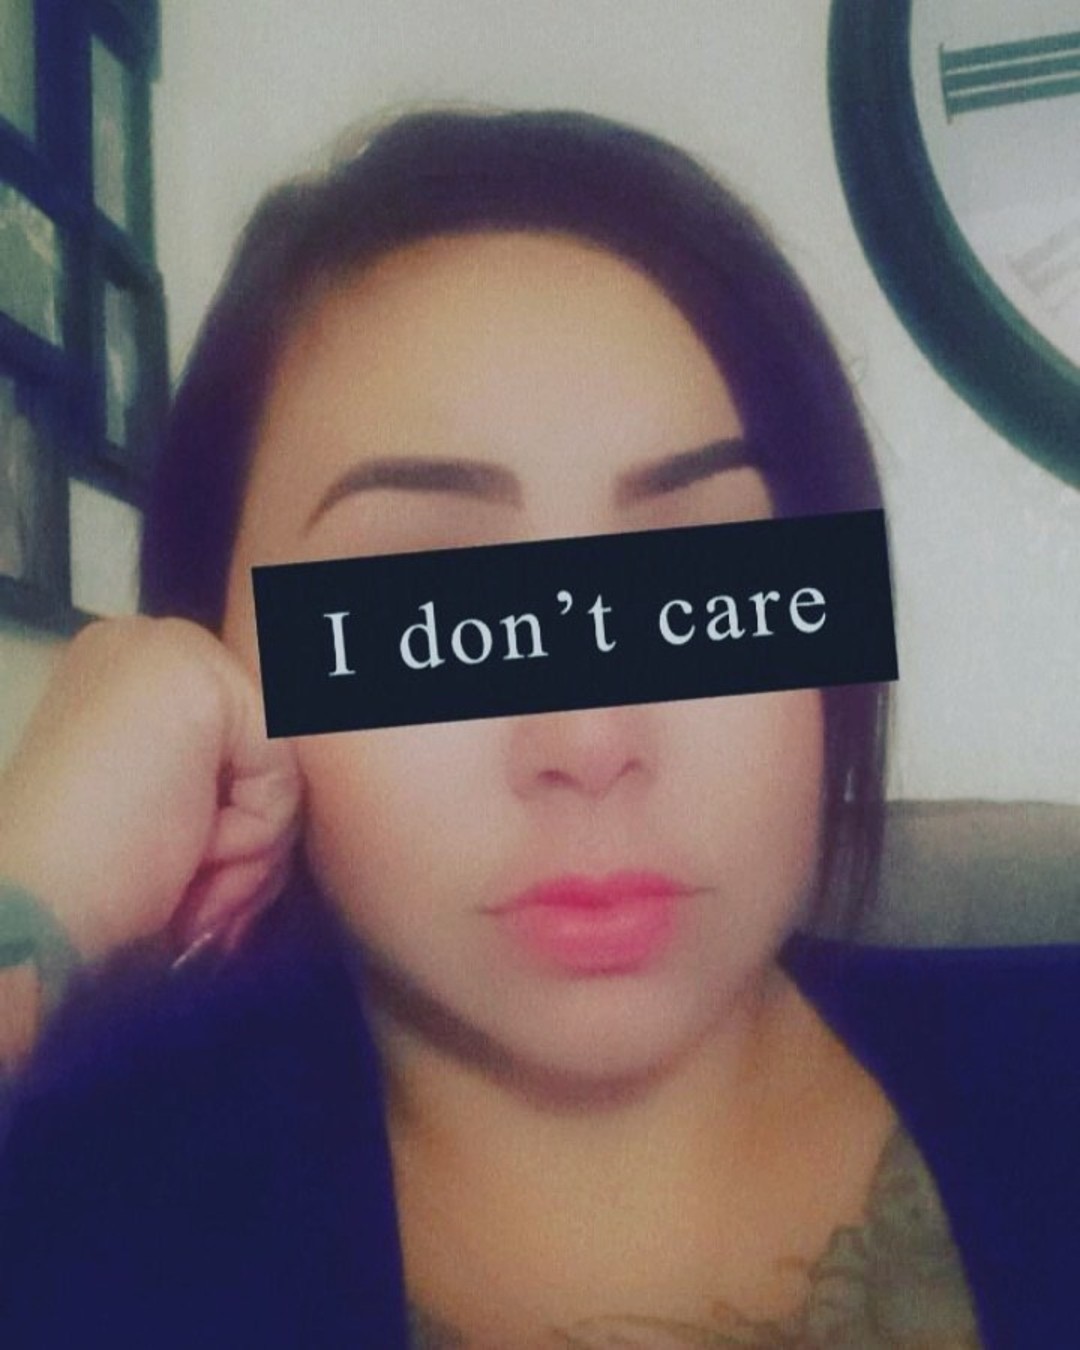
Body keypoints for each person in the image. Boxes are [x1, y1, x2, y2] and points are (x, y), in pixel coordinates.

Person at [0, 108, 1075, 1349]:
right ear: (220, 654)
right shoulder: (84, 1223)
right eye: (425, 601)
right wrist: (39, 877)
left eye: (697, 585)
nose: (589, 737)